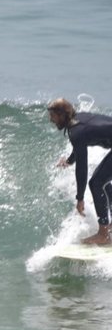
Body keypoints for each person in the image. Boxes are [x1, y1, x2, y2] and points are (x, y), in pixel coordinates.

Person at [48, 97, 112, 245]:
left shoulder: (76, 131)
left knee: (96, 183)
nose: (51, 120)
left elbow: (82, 168)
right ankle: (108, 228)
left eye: (53, 116)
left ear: (62, 115)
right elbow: (79, 147)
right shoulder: (78, 120)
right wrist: (69, 161)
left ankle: (104, 234)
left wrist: (80, 198)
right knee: (103, 182)